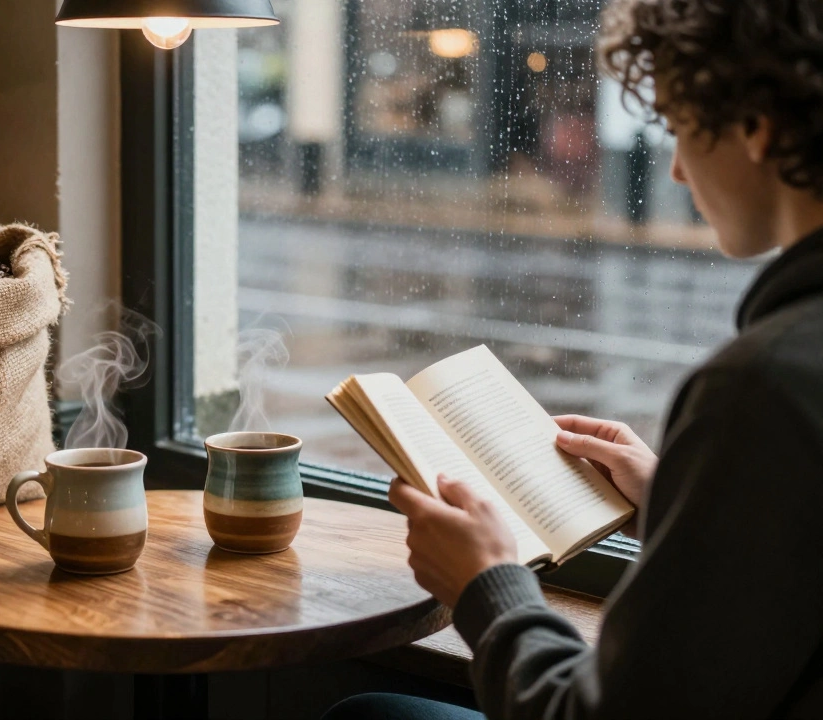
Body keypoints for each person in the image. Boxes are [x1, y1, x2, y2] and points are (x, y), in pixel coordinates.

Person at [325, 0, 823, 718]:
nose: (678, 170)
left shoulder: (762, 388)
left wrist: (486, 582)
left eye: (681, 128)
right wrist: (676, 503)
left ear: (754, 128)